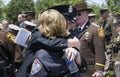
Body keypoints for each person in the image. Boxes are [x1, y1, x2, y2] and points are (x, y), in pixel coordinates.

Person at [17, 9, 83, 77]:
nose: (68, 25)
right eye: (65, 22)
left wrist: (76, 55)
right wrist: (69, 43)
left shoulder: (68, 51)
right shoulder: (38, 39)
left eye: (69, 23)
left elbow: (76, 71)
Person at [74, 2, 106, 77]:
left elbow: (100, 50)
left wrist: (99, 70)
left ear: (86, 13)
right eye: (75, 15)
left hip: (90, 71)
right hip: (77, 70)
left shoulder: (96, 29)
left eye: (79, 14)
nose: (76, 17)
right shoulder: (75, 31)